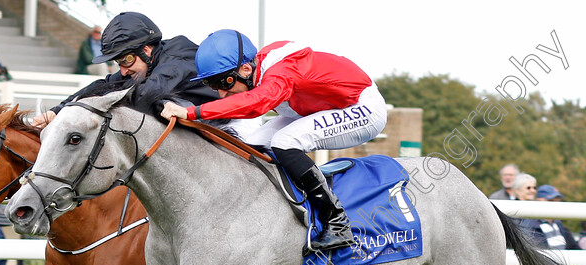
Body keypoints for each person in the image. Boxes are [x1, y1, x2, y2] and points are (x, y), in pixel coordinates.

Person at [161, 30, 388, 251]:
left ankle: (337, 223)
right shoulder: (260, 68)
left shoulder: (282, 72)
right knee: (247, 147)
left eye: (225, 82)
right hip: (311, 109)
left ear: (246, 69)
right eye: (213, 85)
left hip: (362, 107)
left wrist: (192, 113)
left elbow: (256, 104)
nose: (221, 93)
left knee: (284, 141)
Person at [32, 12, 223, 125]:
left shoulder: (176, 60)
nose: (123, 70)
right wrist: (58, 110)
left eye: (126, 60)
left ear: (146, 50)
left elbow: (143, 98)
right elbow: (105, 85)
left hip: (238, 124)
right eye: (119, 63)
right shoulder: (143, 64)